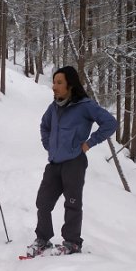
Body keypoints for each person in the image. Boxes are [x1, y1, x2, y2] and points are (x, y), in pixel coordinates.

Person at [26, 65, 117, 257]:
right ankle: (43, 239)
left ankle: (72, 243)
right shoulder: (53, 107)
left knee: (72, 203)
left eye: (59, 82)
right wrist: (49, 145)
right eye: (54, 82)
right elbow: (44, 126)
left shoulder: (85, 106)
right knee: (43, 202)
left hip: (74, 163)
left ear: (71, 85)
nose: (54, 86)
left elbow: (110, 123)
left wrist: (89, 143)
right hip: (54, 163)